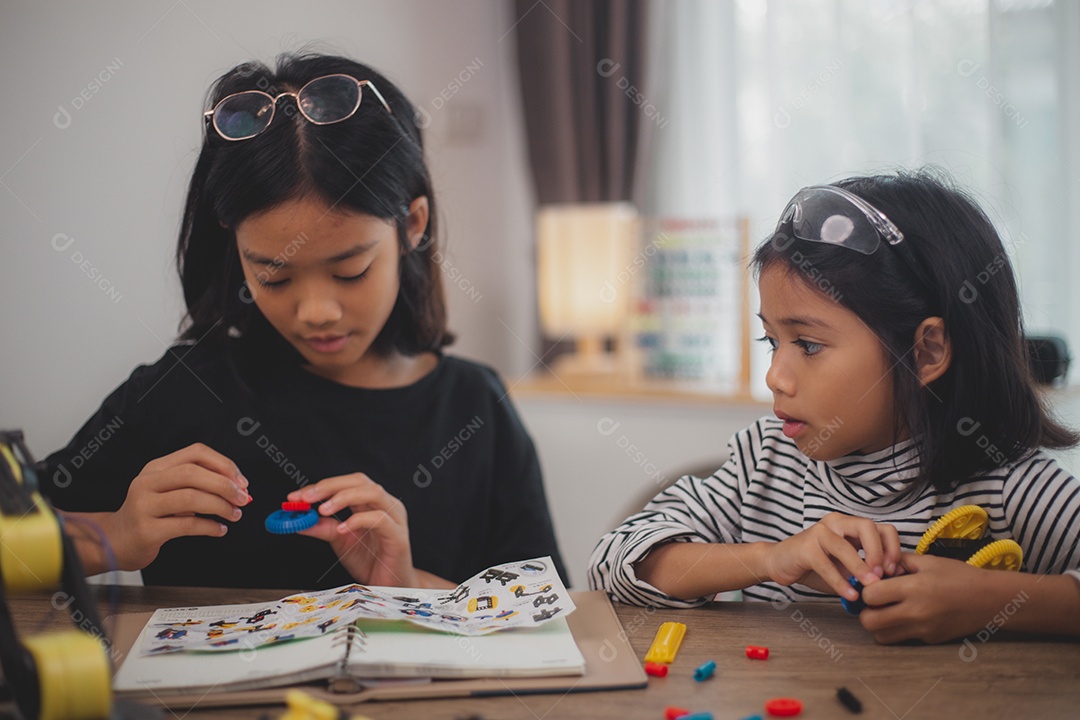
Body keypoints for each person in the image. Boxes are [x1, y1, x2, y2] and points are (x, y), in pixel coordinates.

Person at [44, 53, 565, 590]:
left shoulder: (475, 408)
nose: (316, 311)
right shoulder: (185, 389)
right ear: (234, 244)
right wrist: (114, 534)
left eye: (351, 270)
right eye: (273, 276)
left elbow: (544, 611)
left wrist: (406, 585)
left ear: (412, 225)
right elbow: (20, 532)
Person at [588, 169, 1080, 644]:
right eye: (771, 340)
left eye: (808, 344)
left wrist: (991, 600)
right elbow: (612, 562)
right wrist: (769, 559)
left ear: (925, 352)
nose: (774, 377)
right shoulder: (766, 461)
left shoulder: (1011, 486)